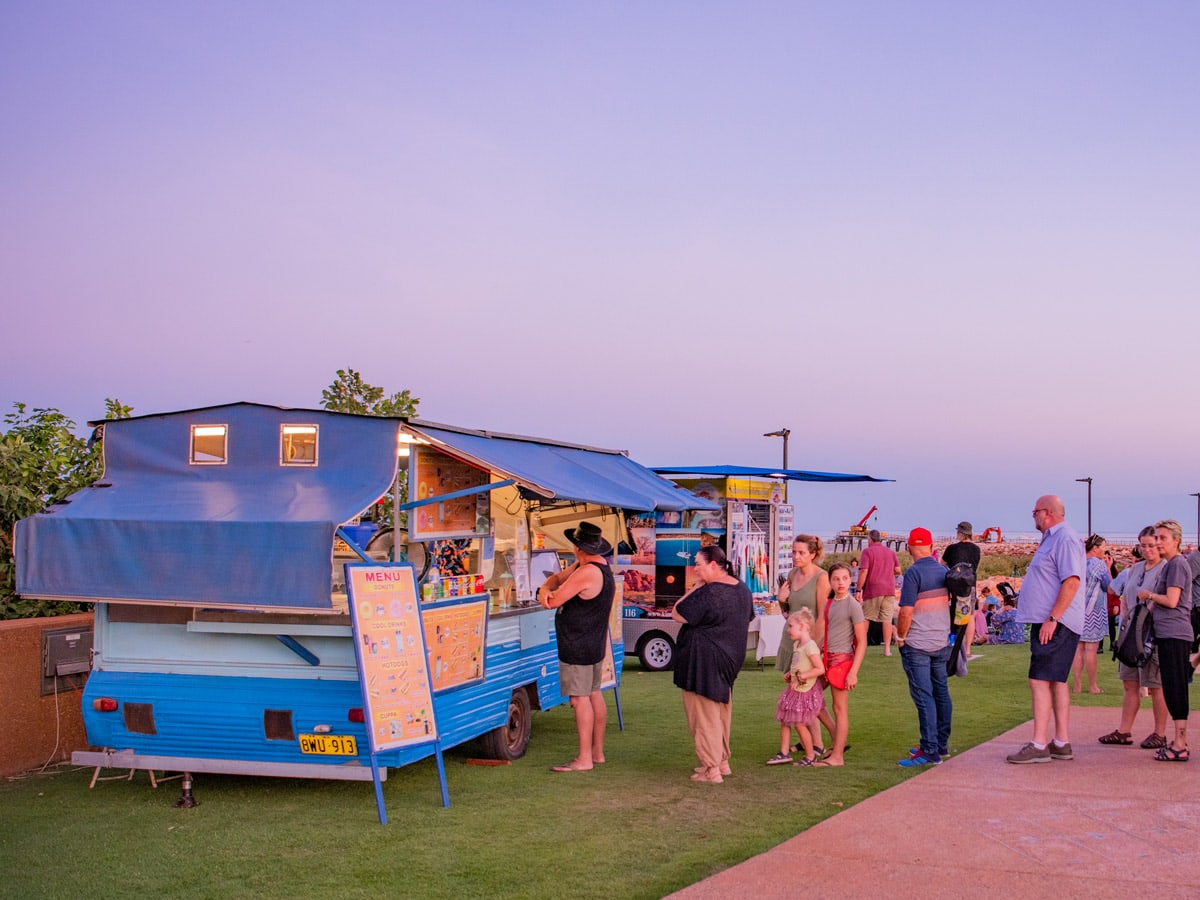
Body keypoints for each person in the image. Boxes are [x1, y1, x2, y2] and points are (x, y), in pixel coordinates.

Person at [1006, 495, 1085, 764]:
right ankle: (1061, 742)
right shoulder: (1052, 538)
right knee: (1055, 681)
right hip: (1053, 621)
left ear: (1048, 512)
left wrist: (1053, 618)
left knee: (1039, 679)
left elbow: (1071, 581)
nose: (1033, 516)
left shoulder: (1063, 537)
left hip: (1056, 622)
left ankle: (1039, 743)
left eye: (1035, 511)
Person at [537, 521, 616, 773]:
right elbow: (557, 578)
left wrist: (543, 590)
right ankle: (597, 752)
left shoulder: (585, 572)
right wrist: (549, 585)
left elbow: (552, 599)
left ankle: (584, 759)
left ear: (578, 547)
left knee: (580, 700)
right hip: (592, 642)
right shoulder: (597, 566)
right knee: (594, 694)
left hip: (578, 644)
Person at [671, 544, 754, 783]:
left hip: (703, 661)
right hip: (728, 660)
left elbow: (677, 612)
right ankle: (722, 762)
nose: (695, 569)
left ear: (714, 565)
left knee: (704, 715)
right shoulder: (742, 589)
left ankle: (712, 770)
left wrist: (696, 588)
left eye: (698, 564)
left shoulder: (710, 592)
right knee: (719, 712)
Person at [1098, 527, 1168, 749]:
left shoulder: (1166, 570)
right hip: (1130, 632)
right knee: (1130, 683)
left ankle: (1160, 733)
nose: (1146, 549)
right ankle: (1124, 731)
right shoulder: (1135, 569)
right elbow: (1122, 594)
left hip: (1151, 633)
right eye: (1143, 545)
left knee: (1156, 684)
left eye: (1151, 545)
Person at [895, 527, 953, 767]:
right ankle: (940, 743)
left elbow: (906, 611)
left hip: (917, 642)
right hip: (941, 641)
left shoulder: (913, 573)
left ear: (909, 549)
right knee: (941, 692)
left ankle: (929, 750)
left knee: (923, 695)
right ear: (931, 547)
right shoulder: (943, 571)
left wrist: (900, 636)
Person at [776, 535, 835, 754]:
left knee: (808, 693)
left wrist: (814, 646)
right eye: (793, 552)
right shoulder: (792, 574)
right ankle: (816, 743)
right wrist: (780, 598)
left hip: (810, 643)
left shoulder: (821, 577)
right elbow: (788, 610)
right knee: (803, 693)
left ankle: (825, 741)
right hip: (792, 639)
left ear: (813, 554)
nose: (796, 556)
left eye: (801, 552)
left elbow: (821, 615)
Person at [1141, 519, 1192, 762]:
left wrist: (1149, 594)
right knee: (1172, 687)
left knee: (1176, 688)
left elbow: (1172, 600)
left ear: (1176, 540)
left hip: (1175, 633)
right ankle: (1179, 740)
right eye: (1157, 538)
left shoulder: (1177, 565)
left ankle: (1180, 743)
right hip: (1169, 633)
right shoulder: (1172, 565)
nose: (1158, 542)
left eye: (1162, 538)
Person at [812, 563, 867, 767]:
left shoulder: (853, 605)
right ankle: (837, 740)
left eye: (844, 578)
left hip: (842, 661)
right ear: (830, 582)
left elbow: (862, 641)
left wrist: (853, 672)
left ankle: (837, 756)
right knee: (811, 698)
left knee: (839, 707)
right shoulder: (829, 604)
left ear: (850, 580)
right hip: (826, 659)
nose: (841, 582)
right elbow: (825, 636)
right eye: (836, 579)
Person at [767, 608, 826, 767]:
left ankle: (810, 755)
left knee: (800, 724)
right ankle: (784, 752)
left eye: (790, 626)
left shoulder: (810, 646)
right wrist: (791, 676)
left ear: (802, 626)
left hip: (805, 691)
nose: (788, 630)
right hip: (795, 689)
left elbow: (819, 669)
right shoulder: (797, 645)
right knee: (785, 720)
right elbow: (798, 665)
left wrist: (801, 677)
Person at [1071, 534, 1112, 694]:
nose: (1105, 551)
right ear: (1095, 548)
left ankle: (1078, 685)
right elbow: (1109, 587)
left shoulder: (1078, 562)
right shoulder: (1098, 565)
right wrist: (1108, 568)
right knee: (1091, 649)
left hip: (1077, 609)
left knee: (1078, 649)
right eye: (1103, 547)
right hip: (1094, 611)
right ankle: (1093, 686)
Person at [857, 530, 901, 655]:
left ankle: (861, 646)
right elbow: (898, 570)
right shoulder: (890, 552)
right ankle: (887, 650)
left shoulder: (867, 552)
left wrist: (859, 589)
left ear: (869, 539)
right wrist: (887, 573)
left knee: (866, 618)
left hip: (873, 589)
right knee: (887, 619)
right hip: (889, 589)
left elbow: (863, 571)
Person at [942, 521, 982, 656]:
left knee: (953, 615)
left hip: (954, 586)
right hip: (969, 585)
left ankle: (952, 644)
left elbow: (942, 565)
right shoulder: (976, 550)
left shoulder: (952, 549)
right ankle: (968, 649)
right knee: (969, 616)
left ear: (960, 533)